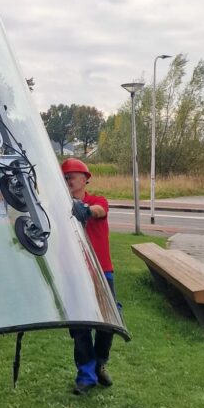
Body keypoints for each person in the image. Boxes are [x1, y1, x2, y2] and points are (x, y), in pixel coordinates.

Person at [62, 157, 120, 395]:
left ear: (85, 179)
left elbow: (99, 211)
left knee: (108, 321)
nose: (67, 180)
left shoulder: (97, 200)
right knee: (81, 325)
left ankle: (99, 363)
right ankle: (85, 376)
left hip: (101, 270)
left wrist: (84, 210)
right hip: (73, 271)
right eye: (63, 177)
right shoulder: (58, 206)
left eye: (71, 176)